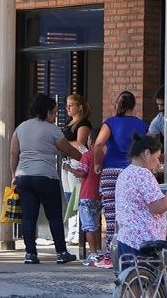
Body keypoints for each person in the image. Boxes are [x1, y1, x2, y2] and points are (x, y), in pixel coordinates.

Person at [10, 93, 83, 265]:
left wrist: (14, 175)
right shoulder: (52, 129)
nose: (56, 116)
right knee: (54, 216)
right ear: (46, 112)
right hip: (46, 176)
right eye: (54, 112)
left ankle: (30, 254)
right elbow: (68, 150)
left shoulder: (21, 127)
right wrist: (85, 160)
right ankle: (61, 253)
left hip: (23, 176)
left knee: (29, 217)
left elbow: (13, 153)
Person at [92, 90, 148, 269]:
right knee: (131, 215)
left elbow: (98, 144)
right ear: (133, 106)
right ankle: (131, 255)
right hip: (131, 172)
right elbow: (147, 148)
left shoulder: (110, 122)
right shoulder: (142, 125)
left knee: (111, 216)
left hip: (111, 171)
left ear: (117, 105)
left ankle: (110, 257)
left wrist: (97, 163)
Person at [115, 133, 167, 265]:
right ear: (147, 154)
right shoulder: (143, 174)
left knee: (132, 276)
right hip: (144, 241)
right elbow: (157, 207)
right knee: (148, 277)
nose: (158, 162)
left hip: (126, 239)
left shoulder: (124, 174)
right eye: (157, 157)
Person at [62, 128, 102, 266]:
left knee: (88, 226)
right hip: (98, 195)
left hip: (86, 194)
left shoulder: (87, 155)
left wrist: (69, 169)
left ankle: (93, 254)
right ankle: (99, 251)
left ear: (91, 141)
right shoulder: (103, 156)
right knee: (96, 225)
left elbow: (82, 173)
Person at [61, 93, 92, 245]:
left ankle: (78, 233)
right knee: (69, 197)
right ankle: (71, 231)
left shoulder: (83, 123)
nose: (67, 108)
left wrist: (63, 143)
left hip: (76, 161)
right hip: (65, 160)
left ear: (79, 107)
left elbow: (80, 144)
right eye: (67, 105)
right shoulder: (69, 122)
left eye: (71, 105)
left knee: (76, 196)